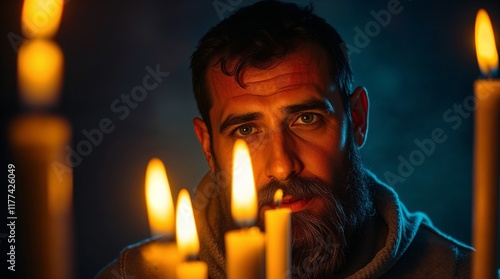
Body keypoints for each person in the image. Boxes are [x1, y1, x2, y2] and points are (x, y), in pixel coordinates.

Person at [97, 1, 475, 278]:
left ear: (357, 119)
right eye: (246, 130)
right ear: (208, 147)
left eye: (306, 119)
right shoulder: (136, 276)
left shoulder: (463, 273)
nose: (281, 165)